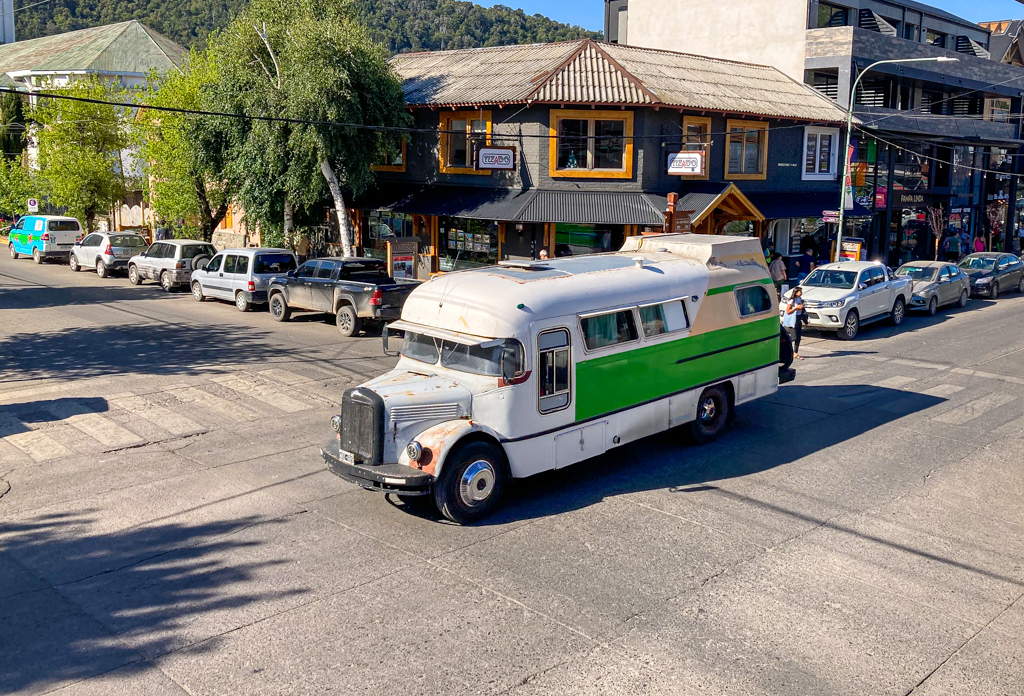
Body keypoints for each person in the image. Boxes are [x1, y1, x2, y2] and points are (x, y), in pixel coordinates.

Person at [782, 287, 805, 361]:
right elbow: (788, 311)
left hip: (798, 318)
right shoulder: (792, 300)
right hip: (792, 320)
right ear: (795, 292)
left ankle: (795, 352)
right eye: (799, 292)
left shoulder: (800, 299)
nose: (800, 293)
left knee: (798, 338)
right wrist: (796, 308)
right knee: (794, 337)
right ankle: (784, 346)